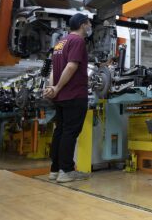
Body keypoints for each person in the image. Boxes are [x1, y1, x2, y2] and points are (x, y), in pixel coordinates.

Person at [44, 13, 92, 183]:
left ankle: (55, 170)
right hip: (74, 94)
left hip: (61, 96)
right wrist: (56, 87)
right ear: (82, 25)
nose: (89, 26)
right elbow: (71, 66)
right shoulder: (77, 41)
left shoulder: (60, 43)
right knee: (70, 132)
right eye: (88, 23)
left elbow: (53, 70)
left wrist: (53, 88)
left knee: (60, 131)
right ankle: (67, 170)